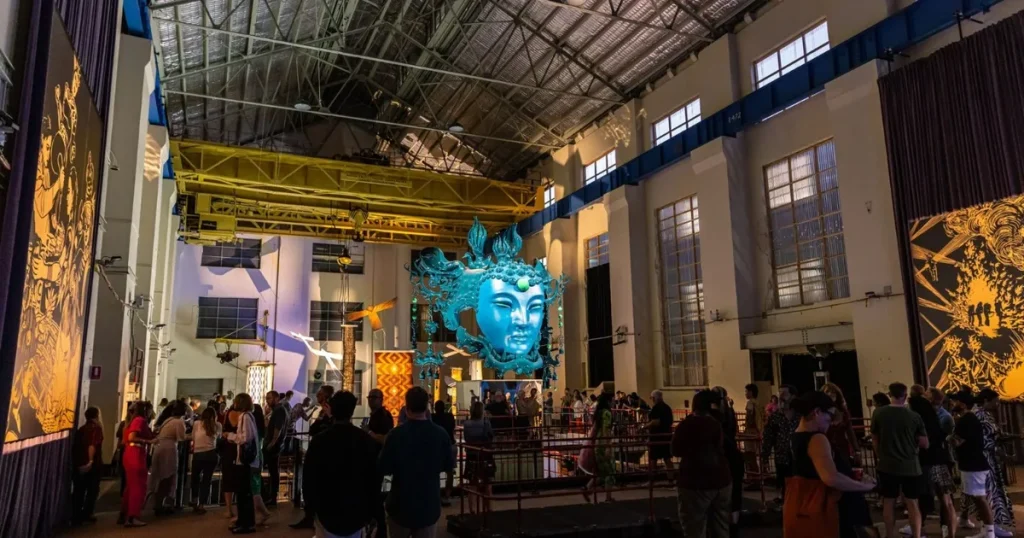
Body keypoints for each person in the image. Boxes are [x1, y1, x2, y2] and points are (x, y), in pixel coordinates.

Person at [784, 391, 875, 538]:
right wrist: (864, 486)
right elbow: (830, 477)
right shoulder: (817, 439)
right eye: (829, 415)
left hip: (806, 505)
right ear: (817, 412)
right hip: (833, 507)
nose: (830, 421)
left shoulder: (795, 437)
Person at [379, 387, 455, 538]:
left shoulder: (395, 435)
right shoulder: (440, 434)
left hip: (400, 505)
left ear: (407, 408)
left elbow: (384, 468)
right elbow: (449, 467)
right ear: (427, 407)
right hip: (428, 504)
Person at [304, 391, 381, 538]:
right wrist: (371, 510)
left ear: (332, 409)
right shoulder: (365, 440)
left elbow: (309, 476)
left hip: (326, 508)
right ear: (352, 411)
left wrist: (310, 507)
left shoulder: (320, 440)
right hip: (356, 509)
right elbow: (373, 478)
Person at [871, 382, 928, 538]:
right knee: (912, 503)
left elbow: (875, 438)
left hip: (887, 465)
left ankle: (890, 535)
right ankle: (916, 535)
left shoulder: (878, 413)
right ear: (905, 396)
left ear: (890, 395)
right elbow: (924, 443)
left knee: (888, 501)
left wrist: (880, 455)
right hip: (910, 466)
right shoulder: (914, 416)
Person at [672, 390, 731, 538]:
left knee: (694, 527)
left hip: (694, 481)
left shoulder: (686, 425)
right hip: (721, 479)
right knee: (721, 526)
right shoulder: (718, 423)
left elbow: (675, 450)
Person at [962, 389, 1015, 537]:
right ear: (986, 400)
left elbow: (994, 436)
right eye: (995, 401)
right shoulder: (978, 415)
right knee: (987, 493)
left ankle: (991, 526)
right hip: (983, 459)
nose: (998, 404)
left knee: (991, 493)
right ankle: (988, 528)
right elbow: (985, 440)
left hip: (989, 458)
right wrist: (1001, 451)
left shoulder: (984, 414)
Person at [950, 390, 998, 538]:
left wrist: (948, 437)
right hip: (973, 463)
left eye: (956, 401)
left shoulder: (966, 420)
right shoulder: (969, 419)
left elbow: (957, 442)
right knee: (977, 497)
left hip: (973, 464)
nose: (952, 403)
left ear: (963, 404)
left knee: (979, 498)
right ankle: (986, 530)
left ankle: (989, 532)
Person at [907, 395, 957, 538]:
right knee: (947, 501)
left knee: (918, 500)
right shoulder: (936, 421)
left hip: (924, 464)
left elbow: (923, 444)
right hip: (940, 462)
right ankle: (950, 533)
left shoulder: (917, 423)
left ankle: (918, 532)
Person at [291, 385, 335, 530]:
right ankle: (309, 516)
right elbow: (313, 429)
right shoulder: (322, 411)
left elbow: (318, 429)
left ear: (326, 396)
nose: (317, 395)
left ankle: (314, 517)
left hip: (323, 454)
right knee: (310, 485)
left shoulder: (329, 412)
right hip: (318, 452)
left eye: (320, 394)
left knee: (314, 485)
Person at [226, 393, 260, 535]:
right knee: (242, 493)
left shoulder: (245, 417)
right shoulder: (246, 416)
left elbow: (246, 437)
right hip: (244, 460)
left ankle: (247, 524)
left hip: (246, 461)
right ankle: (242, 521)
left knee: (244, 493)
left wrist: (230, 436)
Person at [760, 384, 799, 503]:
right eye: (779, 393)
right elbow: (768, 437)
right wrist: (765, 456)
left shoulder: (801, 416)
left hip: (799, 457)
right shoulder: (775, 417)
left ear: (793, 396)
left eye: (784, 393)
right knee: (784, 484)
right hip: (782, 456)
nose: (781, 396)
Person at [149, 400, 188, 515]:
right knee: (168, 476)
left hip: (159, 447)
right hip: (169, 449)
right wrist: (191, 436)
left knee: (160, 476)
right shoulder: (178, 422)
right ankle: (163, 504)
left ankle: (158, 503)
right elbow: (181, 437)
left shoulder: (167, 420)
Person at [121, 401, 156, 527]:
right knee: (138, 485)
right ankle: (132, 516)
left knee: (131, 485)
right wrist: (148, 441)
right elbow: (132, 437)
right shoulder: (140, 420)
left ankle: (125, 513)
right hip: (136, 453)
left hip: (130, 453)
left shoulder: (131, 421)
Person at [580, 391, 616, 503]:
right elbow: (606, 430)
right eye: (613, 400)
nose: (614, 402)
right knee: (610, 471)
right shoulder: (607, 413)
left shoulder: (599, 412)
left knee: (600, 471)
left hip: (597, 443)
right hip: (603, 444)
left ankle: (587, 488)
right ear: (608, 401)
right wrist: (608, 446)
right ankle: (608, 498)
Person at [72, 407, 104, 525]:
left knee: (79, 490)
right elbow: (92, 445)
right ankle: (87, 513)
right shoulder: (96, 429)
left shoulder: (81, 429)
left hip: (79, 462)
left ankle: (76, 515)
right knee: (92, 490)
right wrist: (90, 461)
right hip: (92, 465)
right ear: (96, 415)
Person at [462, 401, 495, 513]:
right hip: (485, 453)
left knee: (472, 483)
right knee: (487, 482)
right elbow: (491, 436)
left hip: (472, 454)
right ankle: (488, 507)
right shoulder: (486, 423)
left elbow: (466, 438)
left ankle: (472, 509)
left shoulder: (466, 424)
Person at [191, 406, 221, 513]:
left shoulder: (196, 424)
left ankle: (194, 500)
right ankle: (202, 504)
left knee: (195, 478)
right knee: (206, 480)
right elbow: (219, 438)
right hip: (211, 454)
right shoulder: (217, 425)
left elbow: (193, 437)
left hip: (198, 454)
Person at [263, 390, 287, 506]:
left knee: (272, 471)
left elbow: (278, 428)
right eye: (266, 398)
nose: (267, 400)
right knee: (272, 471)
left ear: (277, 398)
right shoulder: (277, 410)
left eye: (269, 398)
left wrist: (272, 443)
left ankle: (271, 496)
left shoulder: (279, 410)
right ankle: (270, 496)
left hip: (273, 446)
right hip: (273, 445)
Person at [432, 400, 457, 507]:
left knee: (435, 472)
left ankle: (436, 495)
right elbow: (453, 427)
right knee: (450, 472)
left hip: (437, 447)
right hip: (450, 444)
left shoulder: (433, 418)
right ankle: (447, 495)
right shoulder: (450, 417)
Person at [646, 390, 674, 480]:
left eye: (651, 398)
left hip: (656, 437)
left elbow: (655, 421)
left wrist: (644, 426)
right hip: (666, 436)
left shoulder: (656, 408)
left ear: (654, 398)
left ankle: (652, 480)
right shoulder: (667, 407)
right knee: (667, 458)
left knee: (653, 459)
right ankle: (671, 479)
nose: (651, 400)